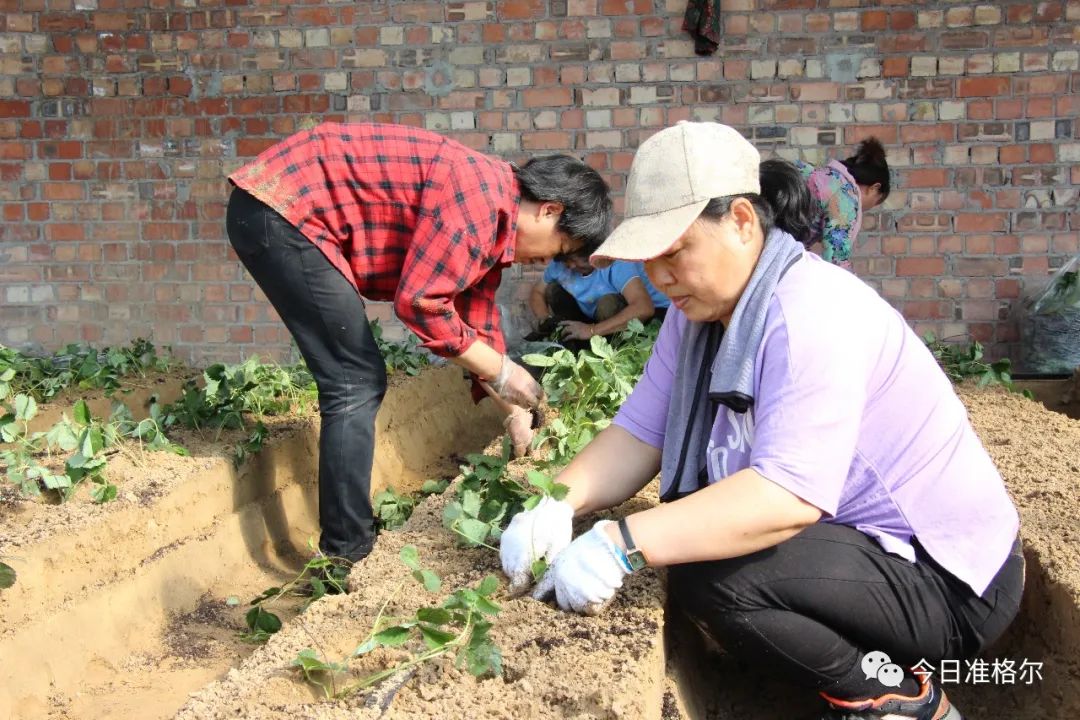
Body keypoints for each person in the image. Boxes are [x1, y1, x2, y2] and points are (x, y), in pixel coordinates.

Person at [499, 122, 1022, 720]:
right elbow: (639, 432)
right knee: (695, 548)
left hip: (949, 581)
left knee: (712, 572)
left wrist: (620, 542)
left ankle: (895, 696)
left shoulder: (810, 313)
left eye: (675, 252)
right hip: (861, 552)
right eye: (651, 260)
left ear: (743, 222)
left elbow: (786, 496)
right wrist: (556, 504)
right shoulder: (695, 319)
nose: (661, 278)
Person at [225, 122, 612, 569]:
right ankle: (346, 551)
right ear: (548, 211)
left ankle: (347, 539)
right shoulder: (480, 201)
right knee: (353, 380)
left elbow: (475, 327)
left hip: (282, 208)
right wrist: (508, 373)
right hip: (282, 208)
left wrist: (515, 413)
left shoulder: (494, 218)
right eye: (559, 248)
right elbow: (422, 304)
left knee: (356, 377)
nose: (548, 261)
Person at [527, 254, 669, 346]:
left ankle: (612, 352)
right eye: (567, 261)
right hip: (595, 316)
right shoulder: (561, 264)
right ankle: (574, 341)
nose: (570, 266)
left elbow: (644, 309)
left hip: (654, 316)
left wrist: (591, 330)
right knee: (554, 290)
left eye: (576, 259)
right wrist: (544, 317)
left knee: (607, 303)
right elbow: (538, 291)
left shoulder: (615, 263)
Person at [797, 137, 890, 269]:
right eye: (876, 201)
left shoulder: (823, 176)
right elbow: (836, 259)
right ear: (874, 188)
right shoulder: (846, 198)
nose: (867, 208)